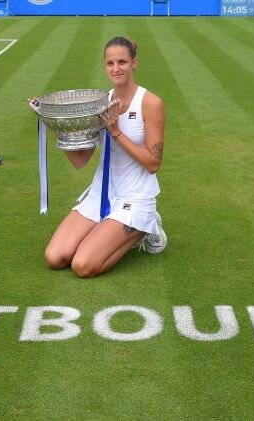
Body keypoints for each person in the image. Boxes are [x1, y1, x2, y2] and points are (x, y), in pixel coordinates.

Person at [44, 36, 167, 278]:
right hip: (101, 195)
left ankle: (146, 227)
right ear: (105, 66)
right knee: (55, 257)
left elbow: (153, 164)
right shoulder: (100, 103)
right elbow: (80, 162)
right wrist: (60, 131)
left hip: (136, 197)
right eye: (110, 63)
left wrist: (116, 132)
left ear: (134, 63)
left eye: (122, 62)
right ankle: (113, 229)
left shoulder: (150, 103)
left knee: (83, 265)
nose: (116, 68)